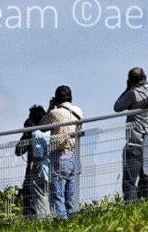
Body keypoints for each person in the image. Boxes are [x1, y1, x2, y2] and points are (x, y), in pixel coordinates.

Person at [113, 67, 148, 202]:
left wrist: (128, 88)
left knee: (130, 182)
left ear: (130, 81)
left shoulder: (132, 93)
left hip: (135, 143)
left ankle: (130, 209)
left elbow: (117, 107)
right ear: (145, 78)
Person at [40, 85, 83, 218]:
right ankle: (74, 220)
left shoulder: (55, 113)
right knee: (71, 193)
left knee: (57, 194)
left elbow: (41, 127)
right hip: (74, 154)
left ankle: (61, 222)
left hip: (60, 154)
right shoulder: (78, 111)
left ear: (57, 98)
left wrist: (50, 107)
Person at [14, 104, 48, 217]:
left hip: (36, 168)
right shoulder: (42, 132)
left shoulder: (41, 133)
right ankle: (31, 218)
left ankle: (33, 218)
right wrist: (25, 136)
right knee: (29, 194)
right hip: (37, 168)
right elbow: (18, 151)